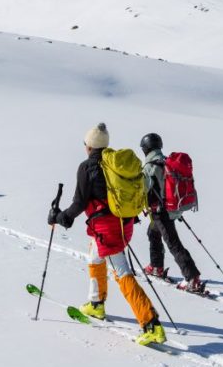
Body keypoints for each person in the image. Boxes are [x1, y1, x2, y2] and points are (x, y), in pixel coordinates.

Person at [48, 123, 166, 346]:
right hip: (124, 222)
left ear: (90, 146)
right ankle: (96, 303)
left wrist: (61, 217)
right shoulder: (115, 163)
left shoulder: (88, 167)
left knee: (122, 272)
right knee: (94, 257)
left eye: (86, 144)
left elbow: (79, 203)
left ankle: (151, 324)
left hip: (107, 228)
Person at [139, 133, 206, 294]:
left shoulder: (150, 167)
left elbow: (143, 190)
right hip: (172, 209)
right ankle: (156, 266)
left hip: (161, 212)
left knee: (173, 243)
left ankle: (192, 278)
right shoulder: (167, 161)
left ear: (146, 149)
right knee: (153, 233)